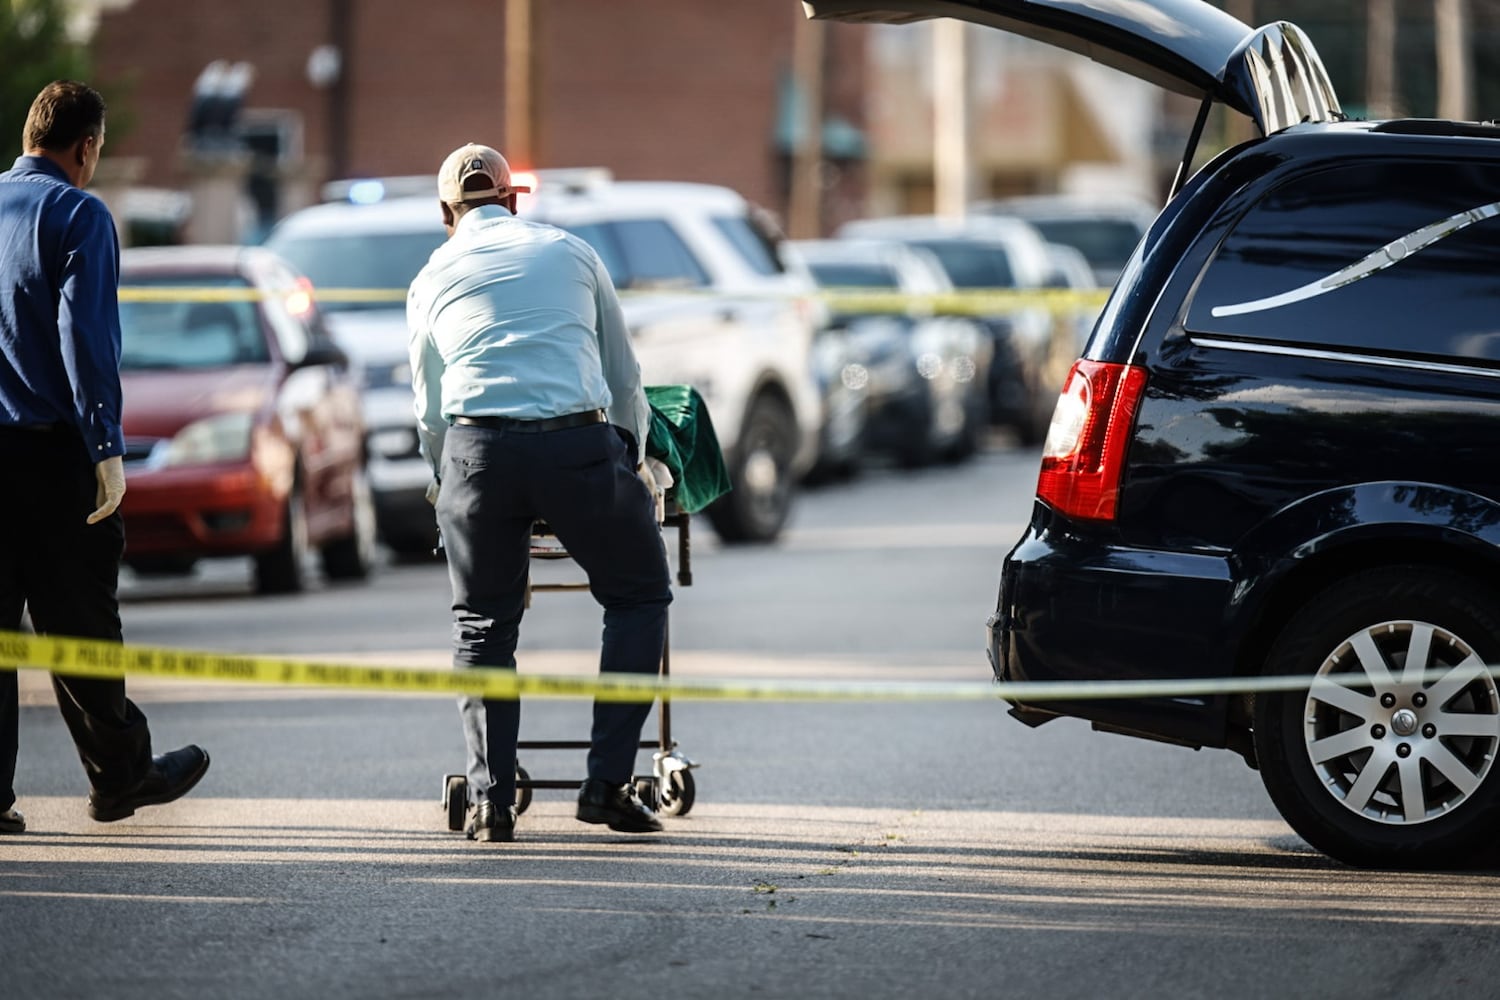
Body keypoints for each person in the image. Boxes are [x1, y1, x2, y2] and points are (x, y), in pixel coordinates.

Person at [408, 143, 672, 843]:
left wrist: (448, 485)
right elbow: (622, 377)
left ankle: (493, 801)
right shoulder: (572, 253)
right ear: (514, 199)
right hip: (575, 447)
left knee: (483, 628)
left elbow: (430, 409)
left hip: (477, 452)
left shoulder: (431, 277)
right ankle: (608, 783)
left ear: (446, 214)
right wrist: (632, 461)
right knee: (639, 595)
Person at [0, 81, 210, 834]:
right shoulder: (80, 213)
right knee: (81, 624)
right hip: (52, 457)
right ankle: (120, 778)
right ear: (86, 147)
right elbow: (82, 336)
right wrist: (105, 446)